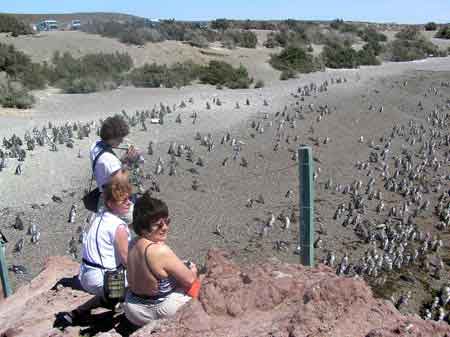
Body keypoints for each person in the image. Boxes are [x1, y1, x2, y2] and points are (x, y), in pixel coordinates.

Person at [55, 178, 133, 328]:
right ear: (110, 203)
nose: (129, 203)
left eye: (129, 198)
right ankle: (122, 309)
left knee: (111, 286)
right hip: (104, 281)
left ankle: (78, 312)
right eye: (123, 201)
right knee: (143, 285)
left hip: (85, 276)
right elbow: (127, 261)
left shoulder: (97, 217)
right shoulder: (119, 227)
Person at [123, 192, 201, 327]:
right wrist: (192, 270)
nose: (165, 227)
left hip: (133, 310)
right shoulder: (159, 250)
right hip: (160, 309)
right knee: (199, 280)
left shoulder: (133, 243)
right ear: (143, 227)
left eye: (167, 222)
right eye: (158, 225)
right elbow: (190, 280)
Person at [89, 115, 137, 223]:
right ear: (112, 137)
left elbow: (107, 169)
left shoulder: (95, 146)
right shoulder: (110, 160)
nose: (121, 140)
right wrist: (129, 161)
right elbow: (121, 184)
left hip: (102, 196)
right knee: (138, 222)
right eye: (119, 138)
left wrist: (122, 161)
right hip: (115, 200)